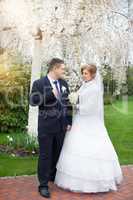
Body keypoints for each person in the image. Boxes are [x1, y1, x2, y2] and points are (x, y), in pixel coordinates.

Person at [55, 64, 123, 193]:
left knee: (92, 148)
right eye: (83, 73)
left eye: (86, 73)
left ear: (92, 74)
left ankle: (96, 182)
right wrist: (75, 99)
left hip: (90, 122)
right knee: (76, 147)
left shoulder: (95, 89)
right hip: (80, 121)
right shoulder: (85, 85)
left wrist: (76, 105)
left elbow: (91, 108)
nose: (83, 75)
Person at [29, 58, 73, 198]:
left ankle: (52, 176)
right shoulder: (39, 83)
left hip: (61, 126)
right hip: (46, 127)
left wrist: (69, 120)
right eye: (62, 69)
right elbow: (33, 101)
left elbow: (67, 103)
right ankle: (43, 185)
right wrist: (49, 95)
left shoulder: (64, 83)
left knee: (57, 153)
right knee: (45, 155)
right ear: (54, 68)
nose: (63, 71)